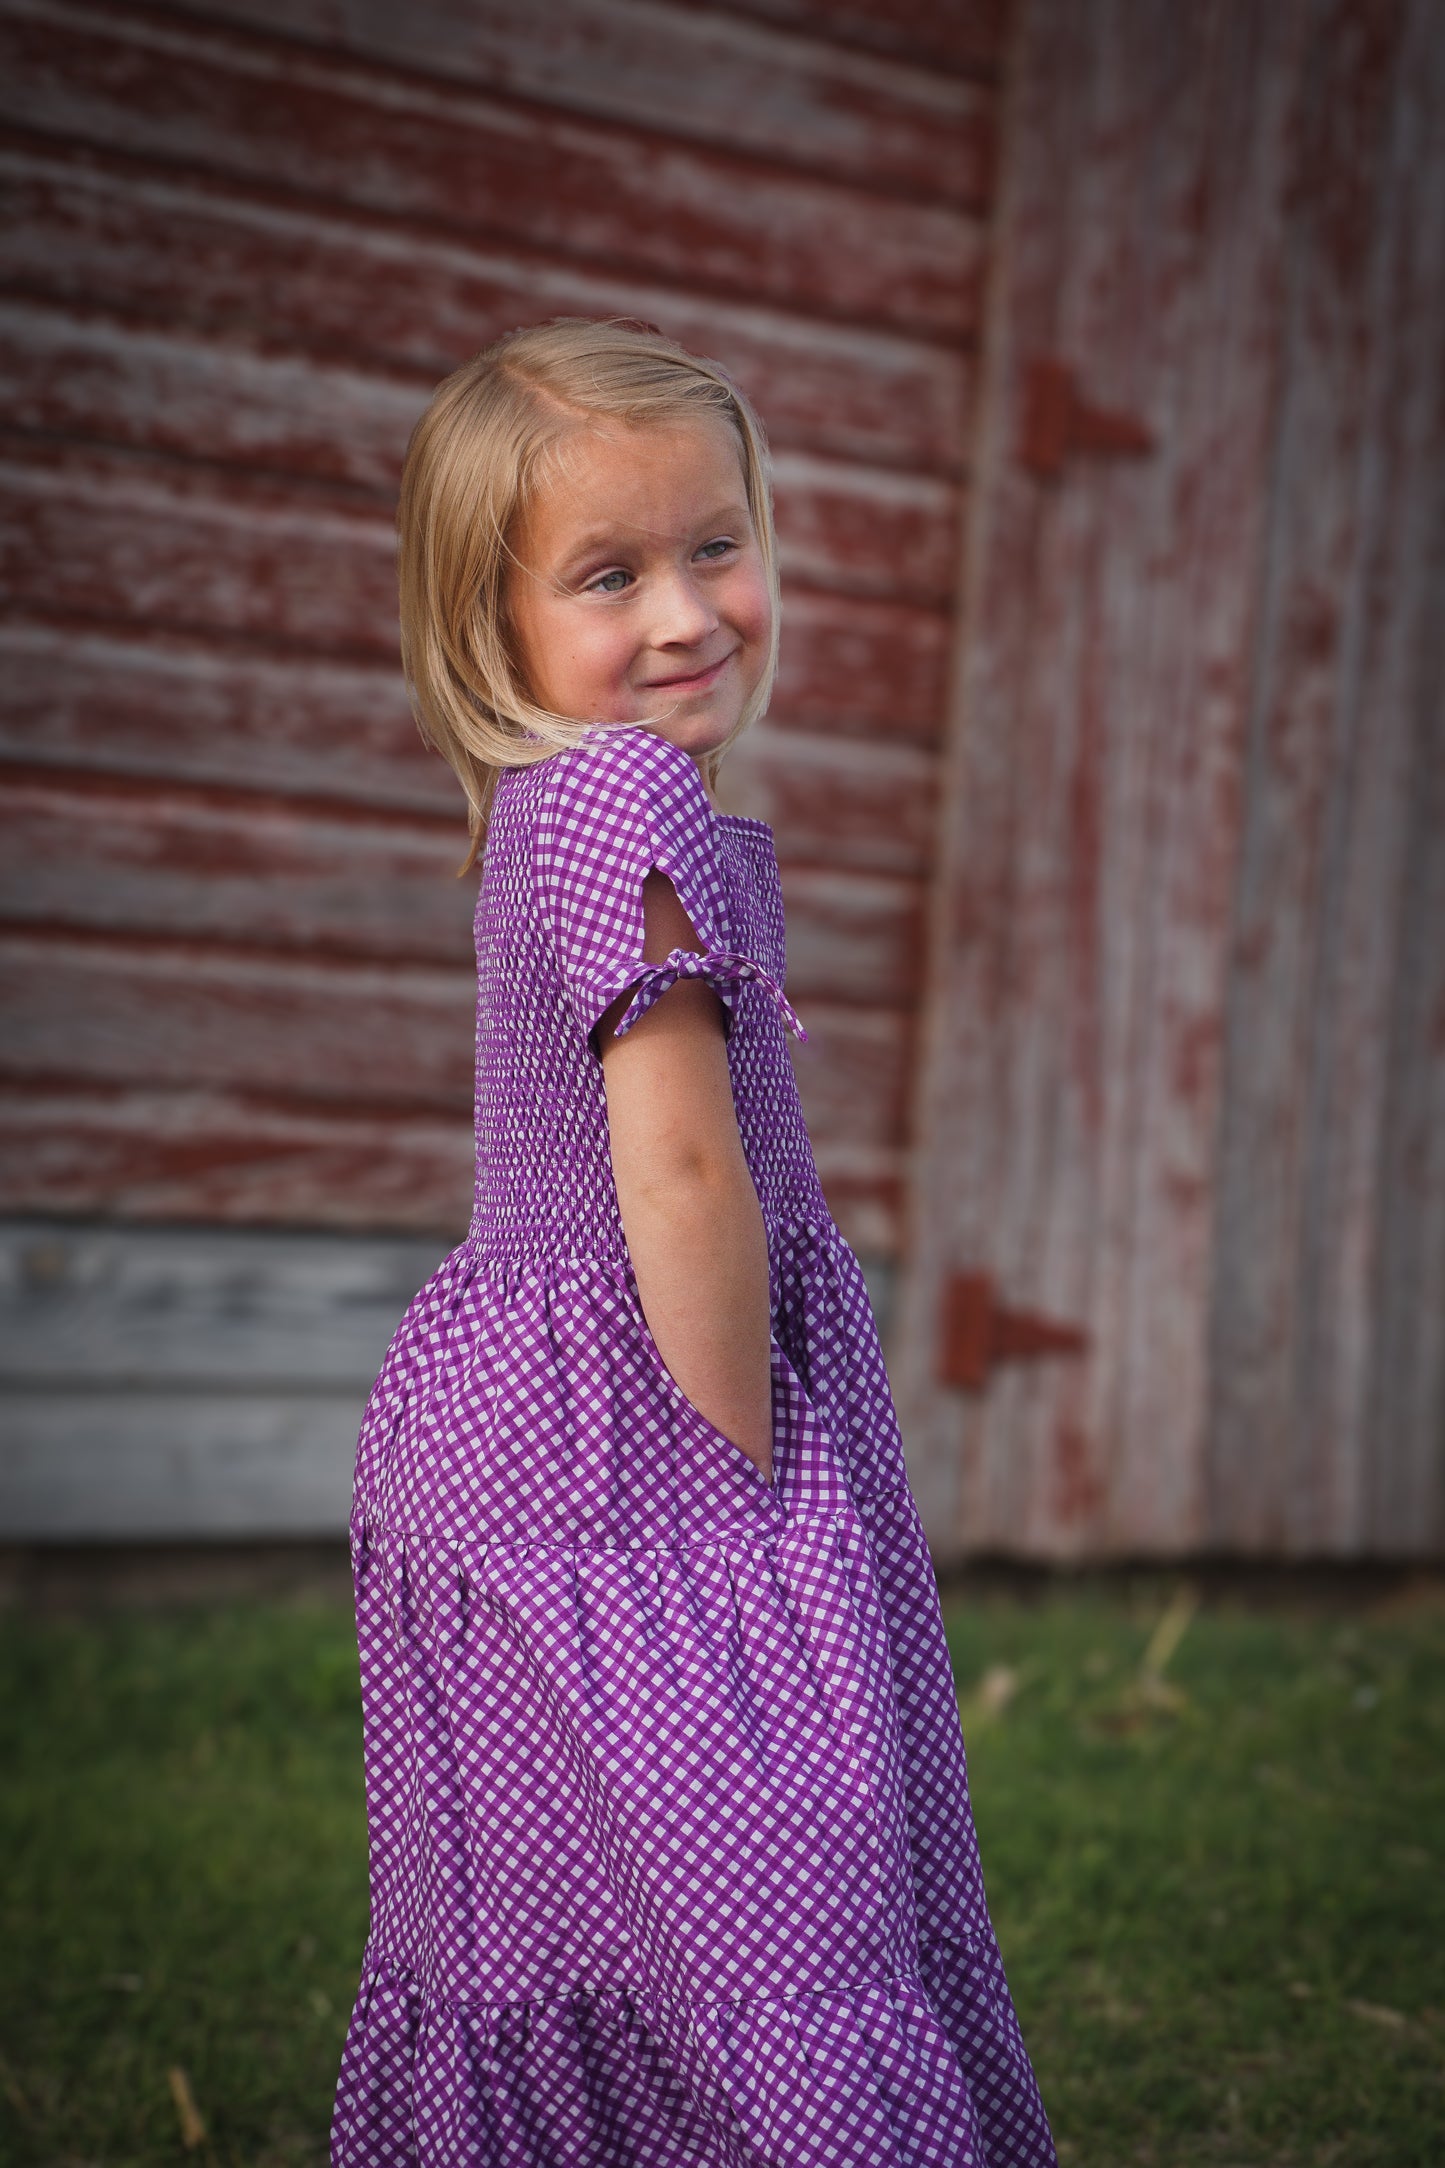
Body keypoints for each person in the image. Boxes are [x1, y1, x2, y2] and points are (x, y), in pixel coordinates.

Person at [331, 318, 1056, 2167]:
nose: (685, 612)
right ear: (489, 629)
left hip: (531, 1416)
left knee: (587, 1877)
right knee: (772, 1882)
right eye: (606, 574)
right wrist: (740, 1487)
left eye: (713, 544)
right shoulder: (624, 799)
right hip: (647, 1411)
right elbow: (678, 1183)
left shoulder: (559, 806)